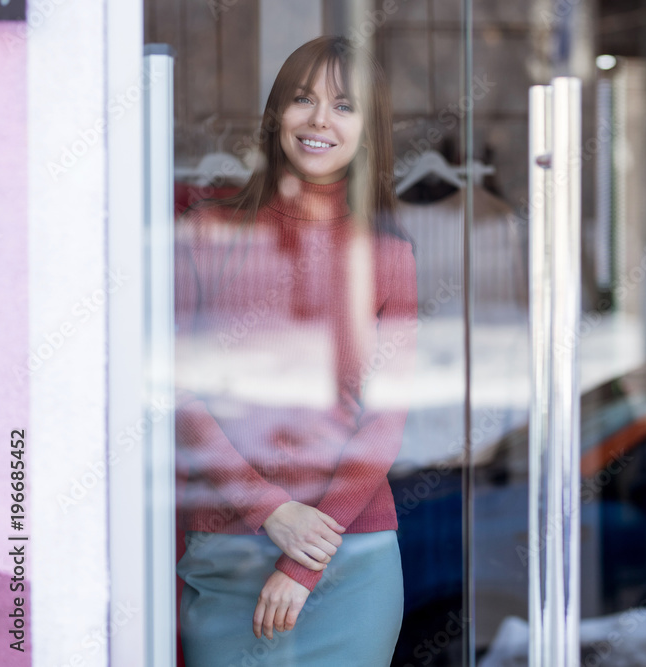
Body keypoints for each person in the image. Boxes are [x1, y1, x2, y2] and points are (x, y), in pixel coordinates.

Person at [173, 35, 416, 666]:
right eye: (303, 99)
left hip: (349, 560)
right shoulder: (206, 230)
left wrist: (304, 563)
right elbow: (177, 390)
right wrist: (270, 509)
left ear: (370, 129)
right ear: (276, 112)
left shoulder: (388, 251)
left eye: (344, 106)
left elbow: (384, 422)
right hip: (227, 552)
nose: (318, 120)